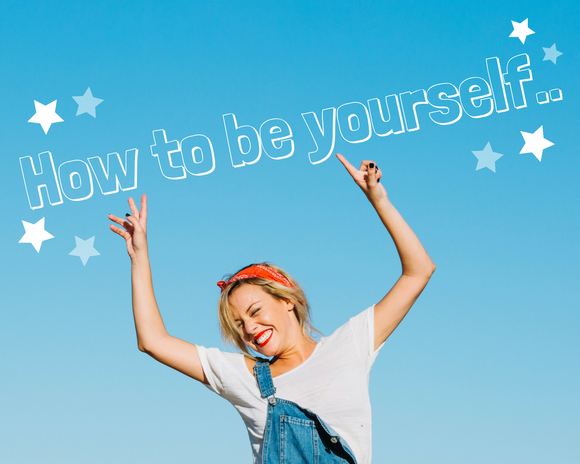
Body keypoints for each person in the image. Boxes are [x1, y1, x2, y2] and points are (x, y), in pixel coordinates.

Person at [108, 153, 436, 464]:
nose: (248, 328)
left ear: (287, 300)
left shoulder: (349, 346)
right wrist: (139, 257)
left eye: (254, 311)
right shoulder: (245, 377)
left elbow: (419, 270)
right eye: (237, 324)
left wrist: (379, 200)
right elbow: (152, 340)